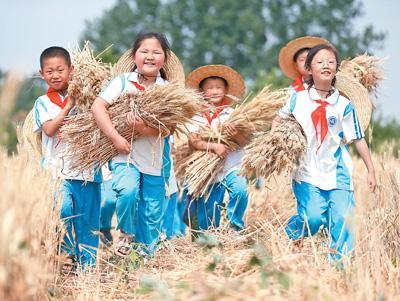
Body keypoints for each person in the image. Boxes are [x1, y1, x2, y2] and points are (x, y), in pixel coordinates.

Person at [273, 44, 376, 262]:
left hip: (337, 172)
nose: (326, 65)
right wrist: (276, 143)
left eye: (330, 62)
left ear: (337, 68)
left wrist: (371, 170)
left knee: (341, 220)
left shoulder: (344, 105)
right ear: (309, 69)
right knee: (312, 218)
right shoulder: (297, 99)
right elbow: (278, 120)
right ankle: (287, 234)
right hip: (306, 171)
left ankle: (341, 268)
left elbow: (358, 138)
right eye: (319, 62)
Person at [91, 32, 176, 256]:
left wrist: (141, 129)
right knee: (127, 192)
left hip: (156, 160)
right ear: (134, 56)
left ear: (164, 59)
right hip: (124, 155)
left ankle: (144, 259)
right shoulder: (122, 82)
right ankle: (125, 233)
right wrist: (116, 138)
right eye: (144, 51)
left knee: (151, 212)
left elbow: (170, 128)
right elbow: (98, 107)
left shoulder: (168, 90)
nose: (150, 56)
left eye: (156, 52)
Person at [33, 46, 101, 271]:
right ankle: (66, 255)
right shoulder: (43, 103)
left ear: (71, 70)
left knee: (88, 219)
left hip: (87, 170)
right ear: (41, 74)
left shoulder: (88, 100)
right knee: (61, 211)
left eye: (60, 70)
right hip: (56, 170)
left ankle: (88, 267)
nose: (55, 75)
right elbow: (50, 130)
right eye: (49, 71)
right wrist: (69, 106)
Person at [184, 65, 249, 234]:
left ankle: (235, 227)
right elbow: (193, 141)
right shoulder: (195, 117)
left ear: (226, 90)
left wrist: (236, 135)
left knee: (240, 190)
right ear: (201, 92)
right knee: (209, 214)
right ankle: (208, 238)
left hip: (232, 166)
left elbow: (245, 141)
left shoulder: (233, 115)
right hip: (208, 173)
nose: (214, 91)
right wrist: (213, 146)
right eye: (210, 88)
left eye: (218, 87)